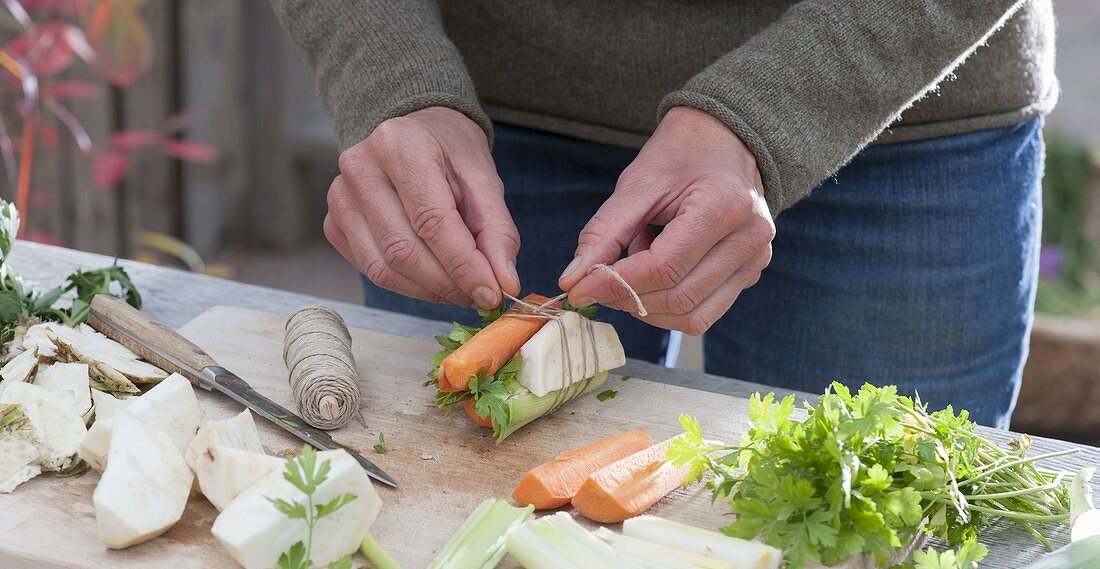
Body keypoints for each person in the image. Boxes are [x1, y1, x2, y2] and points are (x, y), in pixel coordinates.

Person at [272, 1, 1056, 428]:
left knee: (889, 561)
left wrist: (766, 115)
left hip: (893, 97)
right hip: (481, 105)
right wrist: (387, 80)